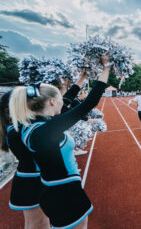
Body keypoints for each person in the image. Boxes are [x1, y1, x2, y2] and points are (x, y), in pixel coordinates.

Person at [9, 53, 111, 229]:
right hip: (65, 194)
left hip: (50, 190)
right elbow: (89, 102)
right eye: (58, 101)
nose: (62, 104)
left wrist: (83, 76)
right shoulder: (48, 130)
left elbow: (68, 98)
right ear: (51, 102)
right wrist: (106, 67)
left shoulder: (31, 125)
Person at [0, 91, 50, 229]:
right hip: (31, 182)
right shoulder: (21, 129)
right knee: (38, 224)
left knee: (40, 223)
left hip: (31, 179)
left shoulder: (18, 127)